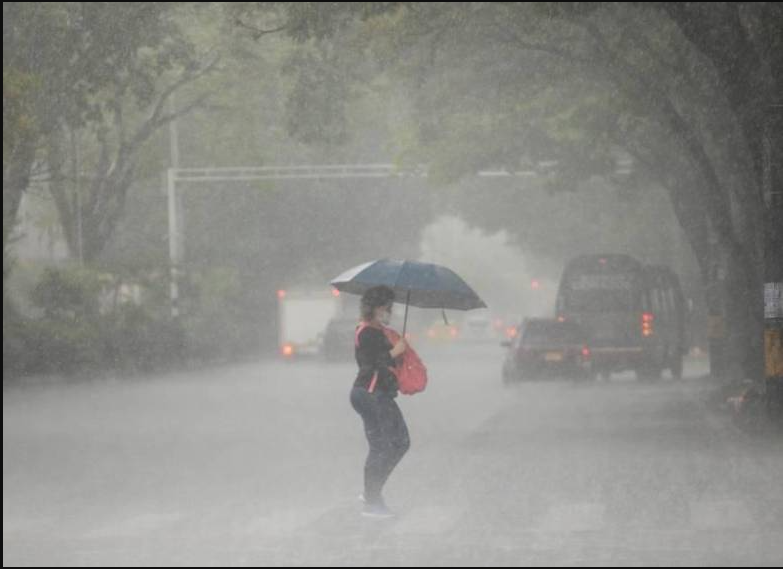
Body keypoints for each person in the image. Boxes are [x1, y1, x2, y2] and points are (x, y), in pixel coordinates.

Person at [350, 285, 409, 518]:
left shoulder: (375, 330)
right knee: (396, 443)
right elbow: (372, 363)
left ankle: (371, 494)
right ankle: (371, 498)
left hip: (370, 393)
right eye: (386, 307)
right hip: (372, 393)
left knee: (382, 446)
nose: (389, 311)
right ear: (375, 308)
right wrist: (395, 352)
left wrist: (399, 351)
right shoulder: (367, 332)